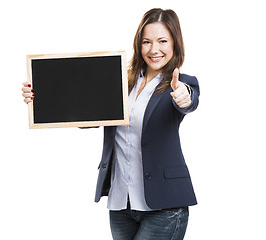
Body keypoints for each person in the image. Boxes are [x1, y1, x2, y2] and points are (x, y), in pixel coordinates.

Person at [22, 8, 200, 240]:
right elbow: (86, 116)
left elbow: (188, 101)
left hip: (164, 205)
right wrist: (41, 95)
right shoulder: (119, 82)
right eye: (146, 42)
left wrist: (183, 95)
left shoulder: (181, 84)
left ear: (175, 43)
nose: (154, 49)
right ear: (139, 45)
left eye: (162, 41)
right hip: (120, 203)